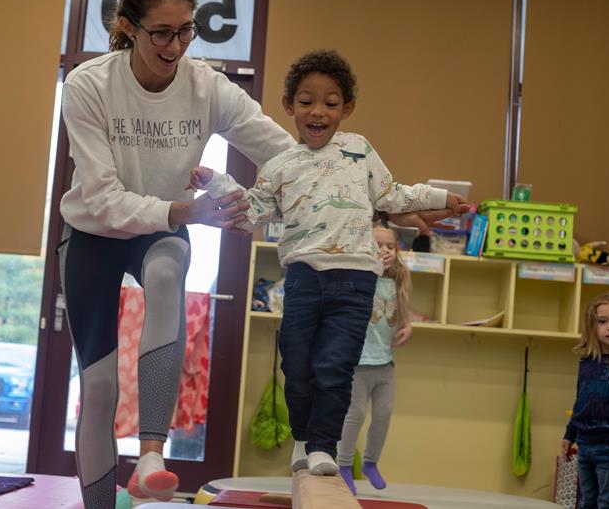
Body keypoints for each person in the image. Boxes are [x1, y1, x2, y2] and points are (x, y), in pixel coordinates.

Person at [188, 49, 469, 477]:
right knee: (296, 364)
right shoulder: (280, 165)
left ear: (347, 108)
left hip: (356, 282)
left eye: (331, 103)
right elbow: (254, 209)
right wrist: (217, 182)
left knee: (335, 367)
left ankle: (323, 445)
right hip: (303, 279)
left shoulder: (358, 150)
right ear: (289, 107)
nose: (318, 111)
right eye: (306, 102)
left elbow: (391, 195)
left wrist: (440, 199)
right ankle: (303, 437)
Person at [334, 223, 411, 493]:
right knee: (353, 414)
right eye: (378, 246)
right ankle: (344, 464)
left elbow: (401, 311)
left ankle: (370, 463)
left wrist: (407, 325)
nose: (385, 251)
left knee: (383, 414)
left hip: (385, 364)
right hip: (358, 363)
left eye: (390, 246)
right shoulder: (360, 278)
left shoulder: (398, 279)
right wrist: (373, 264)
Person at [562, 291, 609, 509]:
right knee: (586, 502)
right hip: (585, 445)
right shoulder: (587, 361)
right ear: (591, 327)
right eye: (603, 322)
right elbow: (581, 401)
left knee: (608, 503)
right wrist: (569, 434)